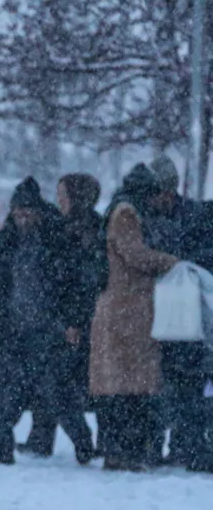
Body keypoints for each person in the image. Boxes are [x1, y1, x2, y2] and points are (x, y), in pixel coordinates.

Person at [0, 177, 94, 466]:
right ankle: (0, 448)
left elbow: (73, 286)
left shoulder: (58, 239)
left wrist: (72, 322)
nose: (22, 218)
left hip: (49, 331)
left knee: (59, 393)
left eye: (27, 213)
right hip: (14, 330)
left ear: (38, 212)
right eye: (18, 213)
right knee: (7, 394)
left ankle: (83, 443)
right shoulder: (6, 240)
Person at [91, 164, 179, 471]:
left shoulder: (121, 208)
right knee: (129, 388)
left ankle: (124, 451)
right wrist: (172, 262)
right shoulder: (127, 213)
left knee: (126, 388)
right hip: (127, 312)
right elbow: (135, 254)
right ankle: (124, 452)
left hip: (126, 311)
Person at [19, 173, 104, 456]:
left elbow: (81, 282)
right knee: (49, 380)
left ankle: (81, 440)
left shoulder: (85, 232)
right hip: (58, 317)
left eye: (63, 197)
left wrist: (73, 320)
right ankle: (44, 438)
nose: (59, 202)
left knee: (58, 383)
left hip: (74, 321)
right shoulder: (67, 227)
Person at [147, 156, 212, 470]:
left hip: (189, 318)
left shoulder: (195, 218)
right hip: (171, 317)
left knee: (187, 385)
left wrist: (177, 261)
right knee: (174, 386)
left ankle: (188, 446)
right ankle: (183, 446)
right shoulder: (187, 216)